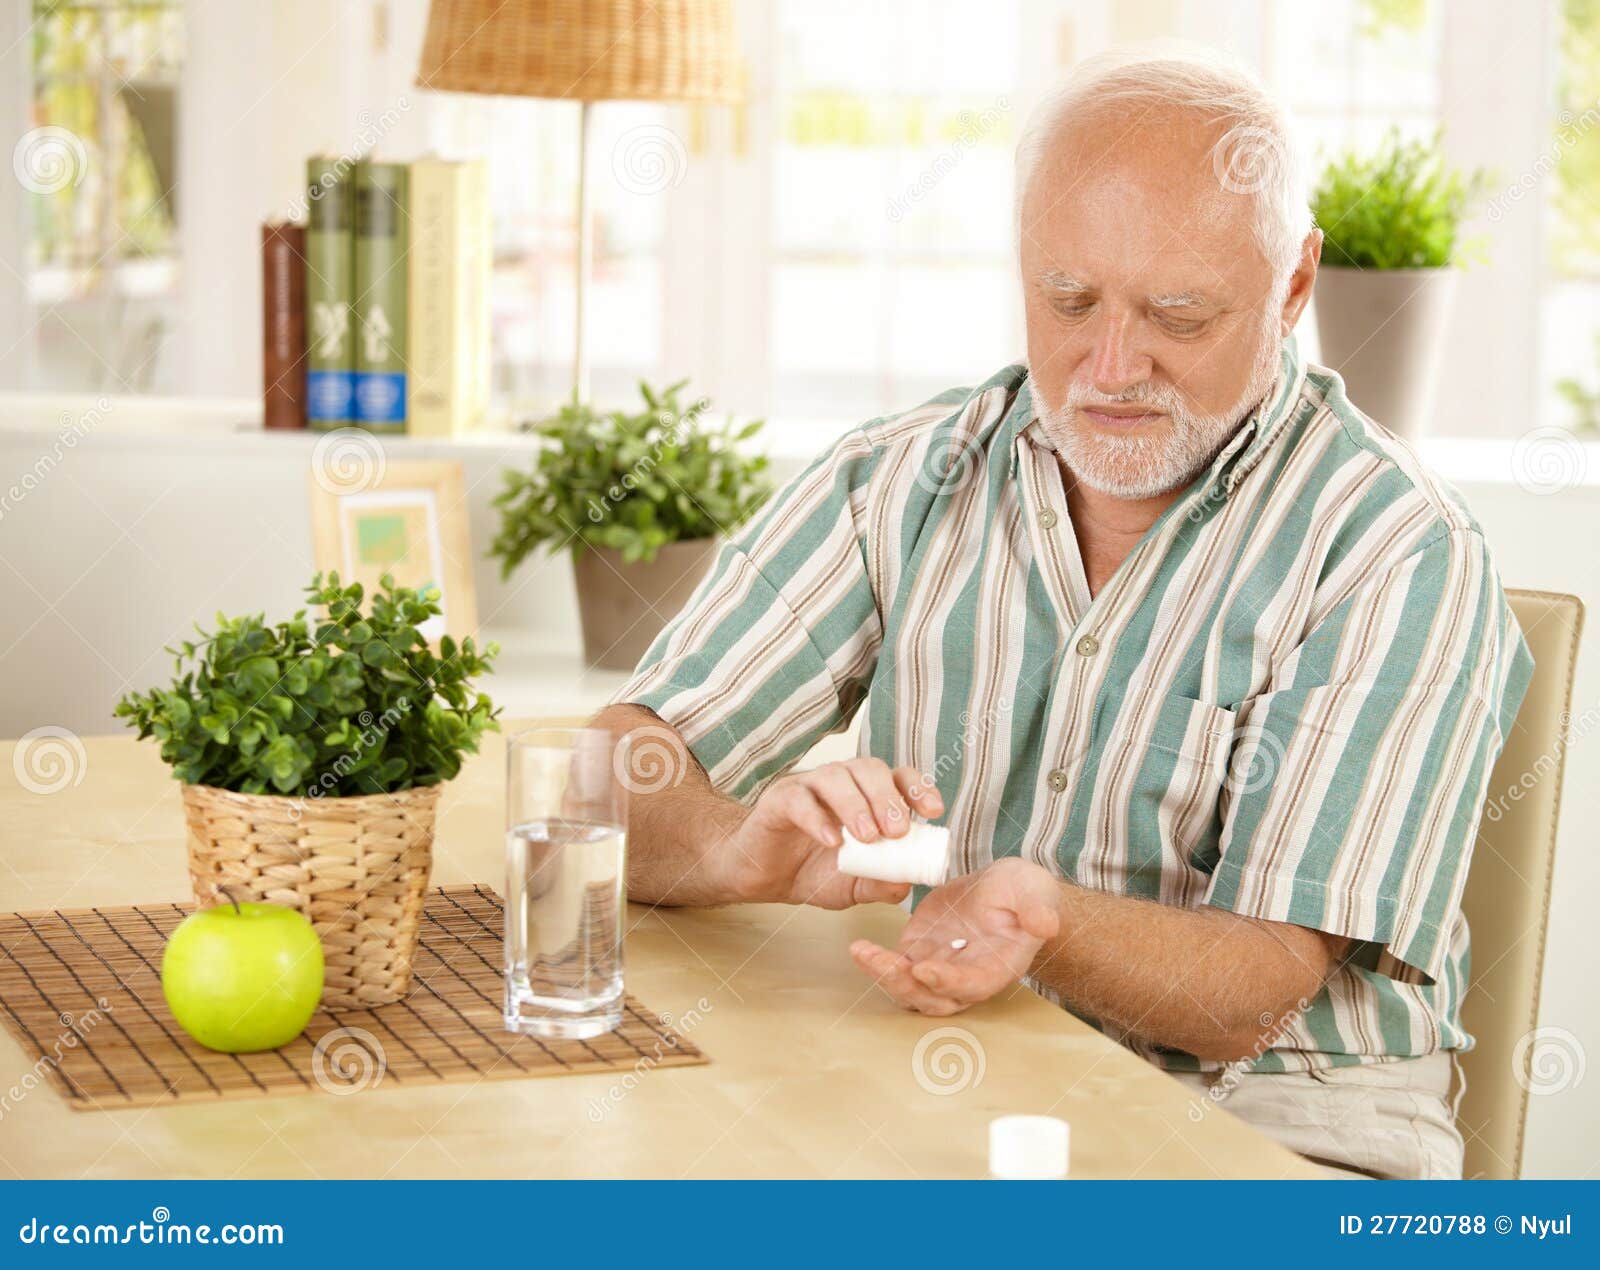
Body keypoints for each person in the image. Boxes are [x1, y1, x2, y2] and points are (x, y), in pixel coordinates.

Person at [588, 46, 1532, 1180]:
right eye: (1068, 299)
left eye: (1177, 312)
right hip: (958, 1075)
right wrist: (731, 846)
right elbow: (608, 775)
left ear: (1291, 287)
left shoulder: (1392, 548)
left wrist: (1048, 917)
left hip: (1274, 1131)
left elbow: (1252, 994)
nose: (1111, 364)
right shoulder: (903, 476)